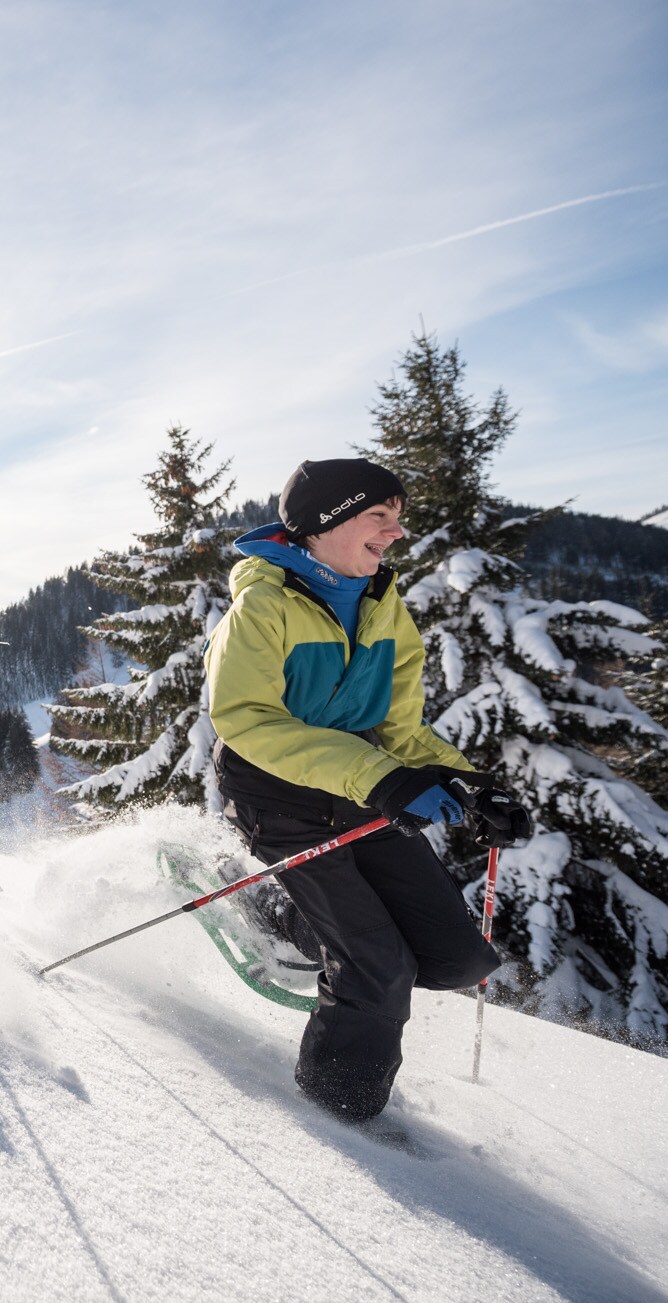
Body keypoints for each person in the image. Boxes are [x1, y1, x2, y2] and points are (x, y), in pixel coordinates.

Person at [205, 457, 532, 1122]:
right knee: (379, 972)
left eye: (399, 518)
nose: (396, 532)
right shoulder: (262, 608)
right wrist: (379, 776)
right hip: (273, 792)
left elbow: (400, 733)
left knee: (457, 957)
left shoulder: (387, 611)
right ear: (326, 523)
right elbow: (246, 721)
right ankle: (342, 1117)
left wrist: (469, 787)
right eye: (379, 516)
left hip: (359, 789)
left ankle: (301, 916)